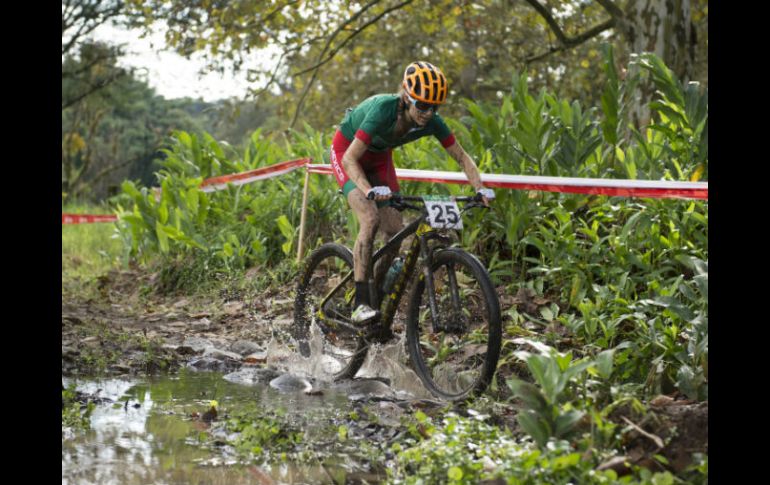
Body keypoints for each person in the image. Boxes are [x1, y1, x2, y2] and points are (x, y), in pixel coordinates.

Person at [329, 61, 495, 324]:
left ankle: (376, 295)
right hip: (347, 152)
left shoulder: (431, 121)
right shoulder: (383, 110)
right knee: (370, 219)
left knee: (394, 233)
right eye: (422, 105)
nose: (427, 113)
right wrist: (368, 191)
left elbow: (462, 157)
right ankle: (360, 303)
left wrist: (480, 188)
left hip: (380, 158)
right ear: (407, 97)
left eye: (434, 107)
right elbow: (350, 159)